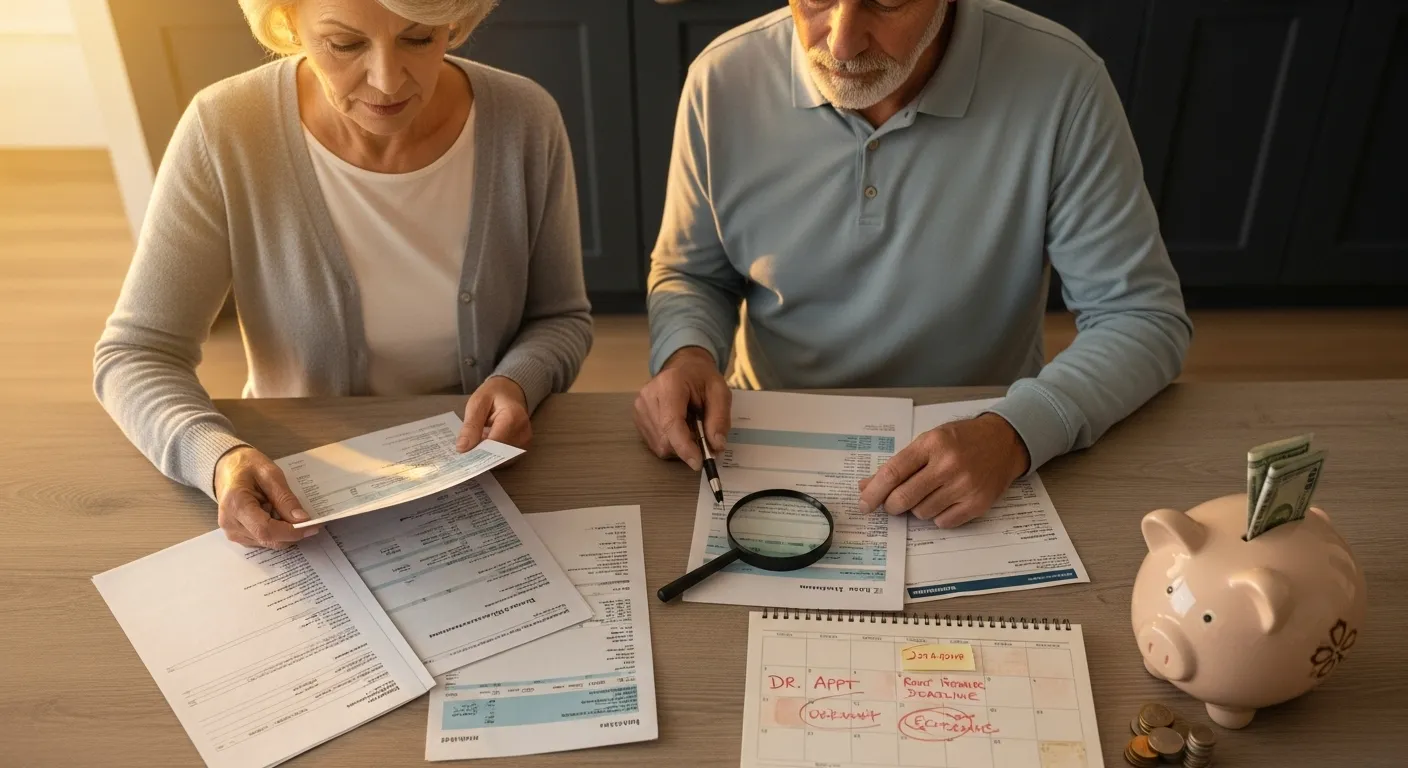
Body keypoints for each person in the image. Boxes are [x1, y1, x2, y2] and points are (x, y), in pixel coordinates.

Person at [634, 0, 1192, 528]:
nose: (843, 41)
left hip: (986, 438)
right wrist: (686, 353)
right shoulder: (721, 79)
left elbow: (1140, 317)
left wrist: (1016, 432)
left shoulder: (1065, 83)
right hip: (768, 434)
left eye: (888, 2)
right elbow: (692, 273)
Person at [94, 0, 591, 550]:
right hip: (296, 489)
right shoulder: (225, 129)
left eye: (419, 39)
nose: (386, 79)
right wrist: (218, 457)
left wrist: (518, 379)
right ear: (287, 24)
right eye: (346, 44)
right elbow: (136, 353)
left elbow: (559, 317)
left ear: (454, 18)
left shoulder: (524, 118)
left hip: (487, 476)